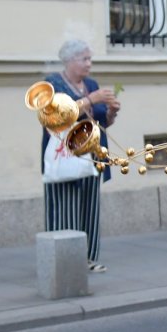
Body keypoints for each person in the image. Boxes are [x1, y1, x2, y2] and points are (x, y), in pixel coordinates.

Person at [40, 39, 120, 273]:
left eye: (90, 59)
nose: (89, 64)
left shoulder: (91, 84)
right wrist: (91, 99)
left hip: (92, 154)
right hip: (65, 155)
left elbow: (101, 121)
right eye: (84, 59)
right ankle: (64, 260)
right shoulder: (53, 83)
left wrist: (112, 112)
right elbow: (57, 116)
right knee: (64, 207)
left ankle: (89, 258)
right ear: (69, 60)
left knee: (90, 209)